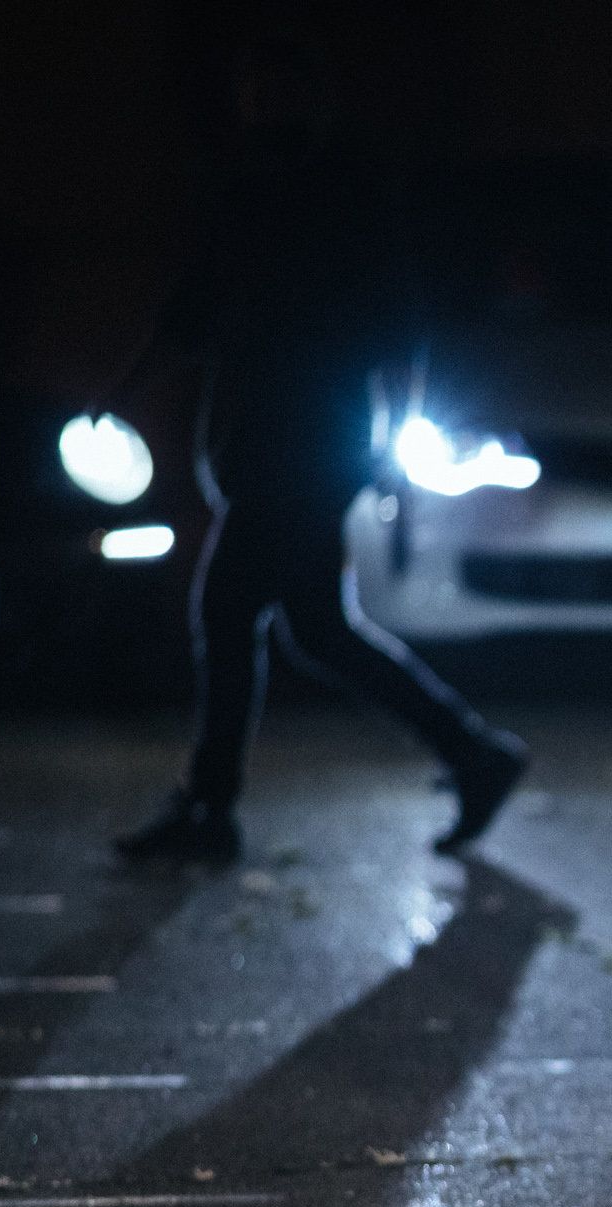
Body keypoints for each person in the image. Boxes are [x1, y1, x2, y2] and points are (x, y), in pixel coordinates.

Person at [110, 31, 525, 866]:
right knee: (317, 628)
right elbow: (194, 305)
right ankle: (474, 753)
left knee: (229, 609)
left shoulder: (346, 189)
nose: (267, 105)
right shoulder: (242, 187)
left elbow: (402, 326)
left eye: (282, 88)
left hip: (310, 443)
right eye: (257, 89)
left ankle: (210, 806)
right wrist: (130, 380)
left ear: (313, 96)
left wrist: (390, 446)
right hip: (259, 438)